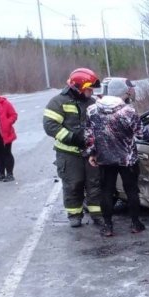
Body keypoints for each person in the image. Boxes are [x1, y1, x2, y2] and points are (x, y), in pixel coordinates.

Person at [84, 78, 149, 236]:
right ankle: (135, 224)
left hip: (104, 159)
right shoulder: (128, 111)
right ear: (123, 93)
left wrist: (92, 153)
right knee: (131, 191)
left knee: (106, 192)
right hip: (127, 159)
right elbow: (143, 134)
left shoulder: (92, 110)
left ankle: (108, 227)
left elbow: (89, 136)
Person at [43, 68, 103, 228]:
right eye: (89, 88)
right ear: (78, 87)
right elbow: (50, 126)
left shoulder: (93, 102)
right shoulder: (58, 102)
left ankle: (97, 213)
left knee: (95, 183)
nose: (91, 91)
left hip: (90, 153)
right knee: (73, 184)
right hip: (68, 154)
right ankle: (74, 214)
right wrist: (72, 137)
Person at [0, 85, 18, 182]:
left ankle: (10, 174)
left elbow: (14, 115)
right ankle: (1, 174)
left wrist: (8, 123)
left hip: (5, 133)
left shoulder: (4, 103)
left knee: (6, 153)